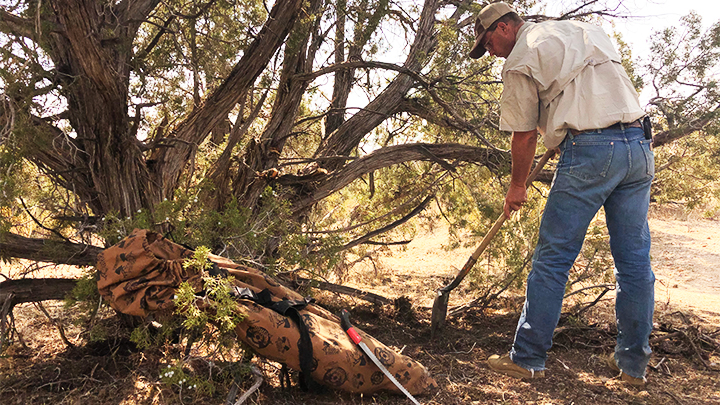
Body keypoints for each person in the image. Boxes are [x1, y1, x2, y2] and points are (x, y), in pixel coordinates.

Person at [468, 2, 655, 386]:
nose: (489, 52)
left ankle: (527, 357)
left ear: (504, 28)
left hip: (590, 151)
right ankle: (633, 367)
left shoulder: (521, 56)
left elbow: (522, 134)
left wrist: (517, 186)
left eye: (487, 43)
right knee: (634, 263)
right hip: (638, 146)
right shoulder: (580, 30)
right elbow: (593, 88)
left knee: (553, 259)